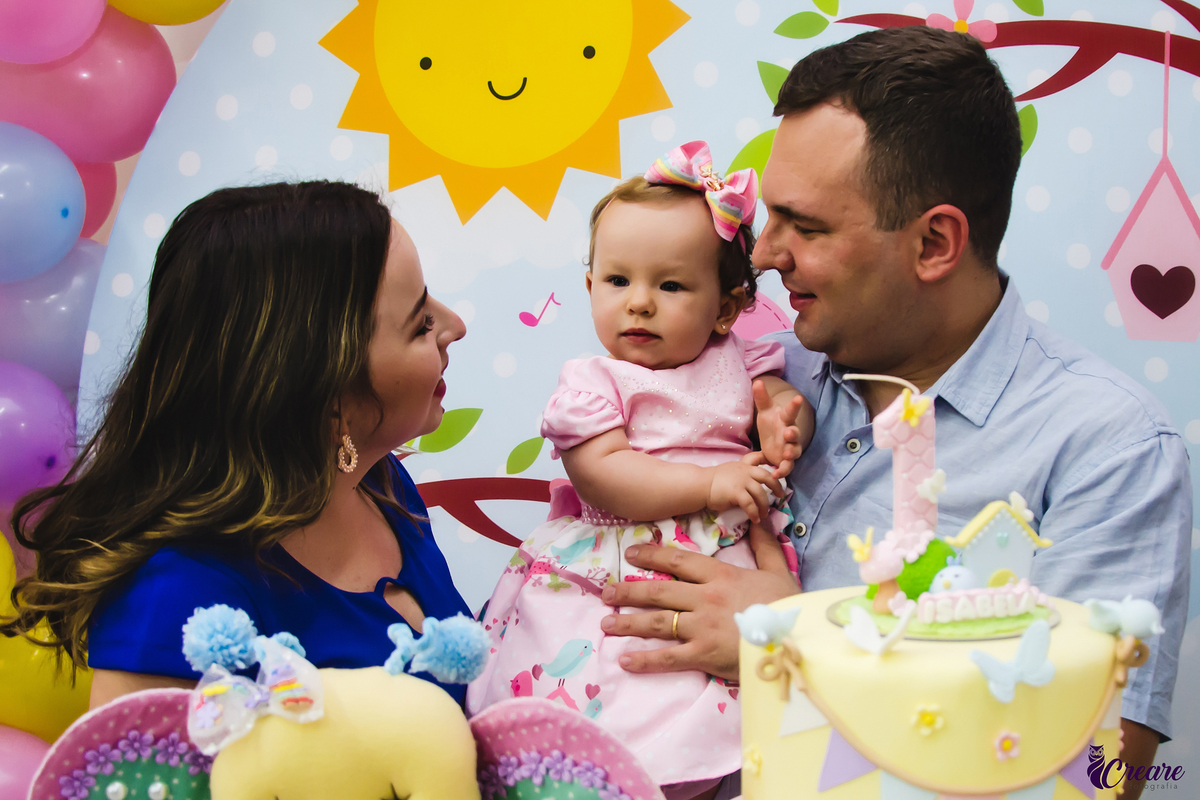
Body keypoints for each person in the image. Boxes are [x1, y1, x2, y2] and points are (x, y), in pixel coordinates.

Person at [597, 27, 1191, 800]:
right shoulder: (742, 373)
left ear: (935, 242)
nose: (764, 253)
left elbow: (1096, 771)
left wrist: (798, 641)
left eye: (804, 227)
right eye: (767, 215)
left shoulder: (1108, 449)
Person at [0, 180, 474, 707]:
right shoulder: (176, 600)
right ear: (324, 384)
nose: (455, 326)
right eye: (421, 323)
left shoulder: (383, 486)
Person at [467, 143, 812, 800]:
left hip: (725, 577)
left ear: (725, 308)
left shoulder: (742, 358)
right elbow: (604, 473)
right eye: (618, 280)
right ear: (590, 285)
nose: (640, 303)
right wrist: (711, 485)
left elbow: (784, 399)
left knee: (712, 722)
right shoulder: (594, 380)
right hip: (620, 565)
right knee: (619, 683)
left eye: (671, 285)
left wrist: (787, 421)